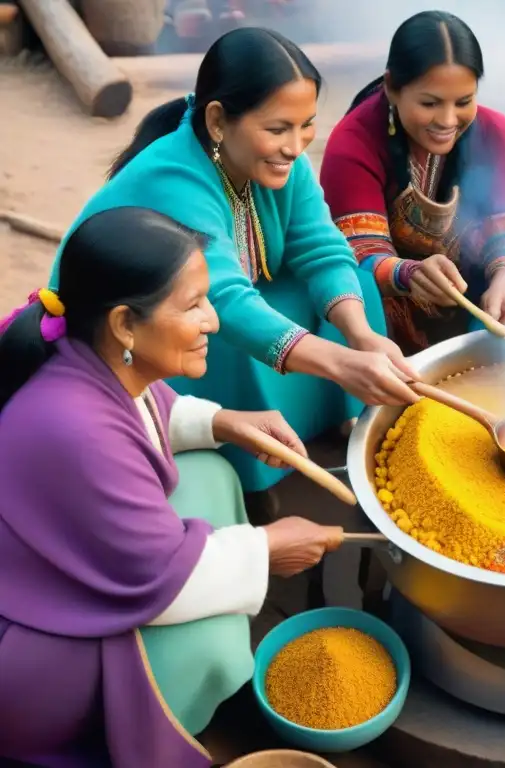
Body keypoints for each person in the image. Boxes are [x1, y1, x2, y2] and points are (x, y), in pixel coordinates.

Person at [0, 208, 345, 767]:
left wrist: (223, 421)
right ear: (124, 325)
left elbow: (140, 415)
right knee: (207, 643)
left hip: (67, 567)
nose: (213, 321)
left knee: (212, 472)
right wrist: (271, 548)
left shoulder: (88, 355)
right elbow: (160, 580)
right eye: (193, 306)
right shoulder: (72, 425)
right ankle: (172, 710)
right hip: (33, 652)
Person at [47, 27, 418, 515]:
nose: (295, 145)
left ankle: (328, 424)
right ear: (219, 121)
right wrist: (340, 362)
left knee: (354, 291)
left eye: (306, 125)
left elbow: (322, 247)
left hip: (211, 295)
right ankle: (254, 473)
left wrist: (360, 335)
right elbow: (224, 296)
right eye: (278, 128)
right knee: (224, 335)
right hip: (129, 330)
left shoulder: (281, 159)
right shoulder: (174, 177)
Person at [320, 10, 505, 355]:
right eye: (429, 103)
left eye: (464, 101)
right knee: (356, 291)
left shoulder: (496, 132)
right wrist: (409, 274)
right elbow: (360, 253)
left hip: (477, 295)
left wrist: (503, 281)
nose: (447, 120)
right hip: (389, 309)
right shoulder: (353, 142)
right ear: (391, 88)